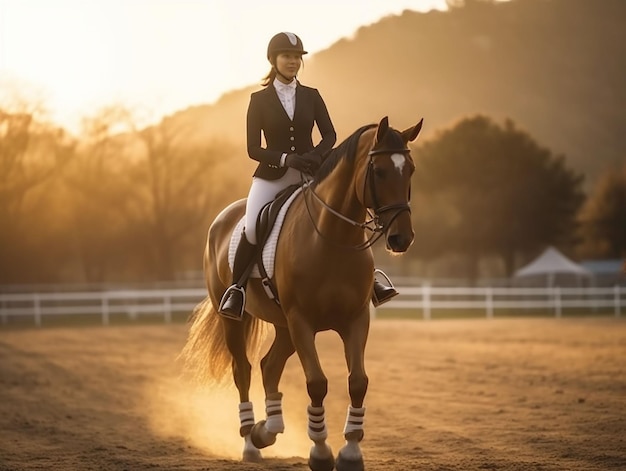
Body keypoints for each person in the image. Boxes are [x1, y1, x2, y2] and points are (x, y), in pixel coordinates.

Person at [218, 32, 398, 320]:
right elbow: (253, 148)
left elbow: (330, 134)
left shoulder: (311, 96)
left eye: (297, 57)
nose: (292, 62)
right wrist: (286, 158)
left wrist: (315, 155)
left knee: (344, 211)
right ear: (273, 60)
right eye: (287, 56)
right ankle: (236, 290)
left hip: (311, 173)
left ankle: (370, 278)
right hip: (271, 176)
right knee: (252, 227)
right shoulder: (258, 100)